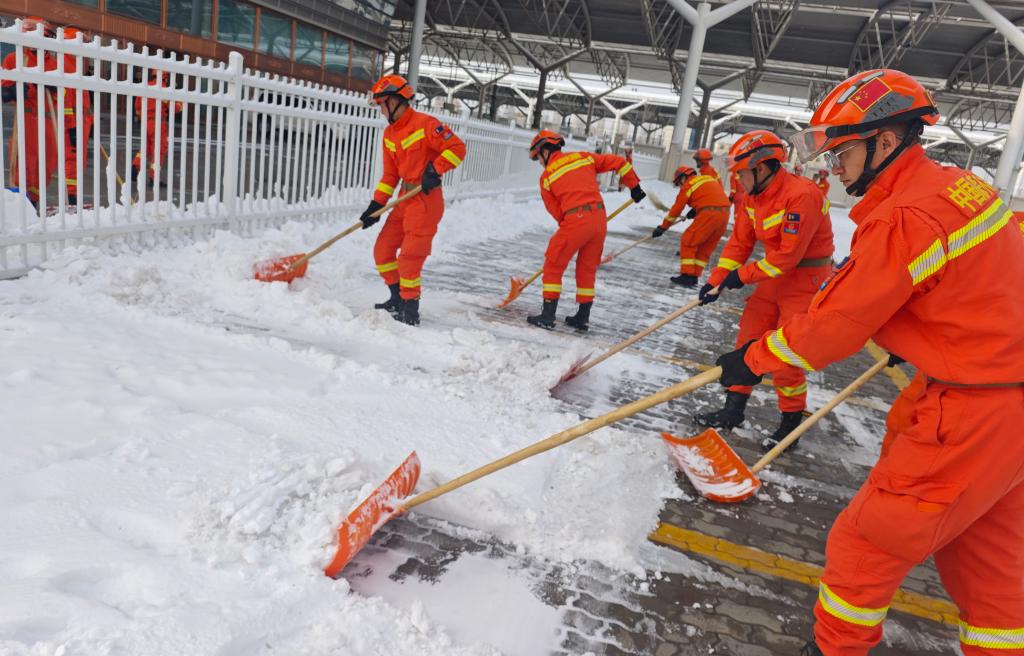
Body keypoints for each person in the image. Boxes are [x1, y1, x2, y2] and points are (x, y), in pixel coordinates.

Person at [711, 69, 1024, 656]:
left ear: (886, 140)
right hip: (1007, 400)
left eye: (843, 152)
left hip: (971, 413)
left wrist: (752, 360)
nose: (834, 167)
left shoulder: (903, 216)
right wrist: (935, 331)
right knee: (991, 570)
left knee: (867, 545)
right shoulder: (960, 187)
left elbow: (834, 326)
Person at [695, 129, 834, 449]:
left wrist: (741, 277)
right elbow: (740, 243)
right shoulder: (753, 196)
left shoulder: (802, 195)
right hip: (773, 277)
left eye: (741, 173)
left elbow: (788, 257)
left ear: (761, 167)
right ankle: (733, 410)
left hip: (804, 282)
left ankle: (790, 423)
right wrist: (717, 279)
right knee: (746, 343)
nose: (738, 180)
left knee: (785, 355)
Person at [360, 74, 466, 326]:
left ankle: (410, 307)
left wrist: (435, 169)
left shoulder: (427, 124)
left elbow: (457, 148)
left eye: (381, 104)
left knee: (409, 257)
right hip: (403, 200)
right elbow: (390, 175)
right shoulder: (389, 134)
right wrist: (377, 205)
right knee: (383, 250)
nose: (381, 110)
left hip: (425, 201)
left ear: (395, 100)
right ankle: (397, 297)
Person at [527, 130, 644, 331]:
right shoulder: (583, 157)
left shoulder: (547, 177)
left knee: (554, 263)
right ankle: (582, 316)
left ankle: (547, 316)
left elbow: (556, 211)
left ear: (545, 151)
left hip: (576, 219)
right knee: (587, 268)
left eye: (538, 157)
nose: (539, 162)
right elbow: (619, 162)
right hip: (599, 220)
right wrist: (634, 187)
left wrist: (571, 228)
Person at [1, 17, 58, 208]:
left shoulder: (54, 64)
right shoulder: (15, 59)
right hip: (26, 118)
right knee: (24, 161)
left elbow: (68, 94)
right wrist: (13, 90)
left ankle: (34, 201)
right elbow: (4, 87)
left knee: (45, 163)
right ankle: (22, 203)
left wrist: (57, 89)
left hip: (48, 120)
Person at [651, 165, 729, 287]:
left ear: (683, 178)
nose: (680, 186)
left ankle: (687, 276)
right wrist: (696, 209)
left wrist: (663, 227)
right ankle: (694, 277)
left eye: (679, 183)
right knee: (704, 247)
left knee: (688, 240)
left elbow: (676, 210)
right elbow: (711, 196)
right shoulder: (707, 178)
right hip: (724, 214)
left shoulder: (689, 185)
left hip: (709, 214)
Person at [60, 26, 92, 207]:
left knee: (79, 160)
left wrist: (90, 121)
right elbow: (66, 102)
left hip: (82, 122)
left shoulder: (74, 65)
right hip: (74, 123)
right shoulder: (66, 65)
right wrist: (71, 126)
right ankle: (71, 197)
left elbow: (83, 101)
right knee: (73, 159)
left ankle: (74, 194)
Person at [132, 69, 182, 184]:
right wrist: (181, 101)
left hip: (146, 123)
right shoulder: (163, 89)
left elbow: (137, 106)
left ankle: (135, 168)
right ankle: (153, 178)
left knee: (145, 148)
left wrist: (141, 117)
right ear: (164, 77)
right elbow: (175, 108)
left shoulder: (146, 87)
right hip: (158, 124)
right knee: (159, 150)